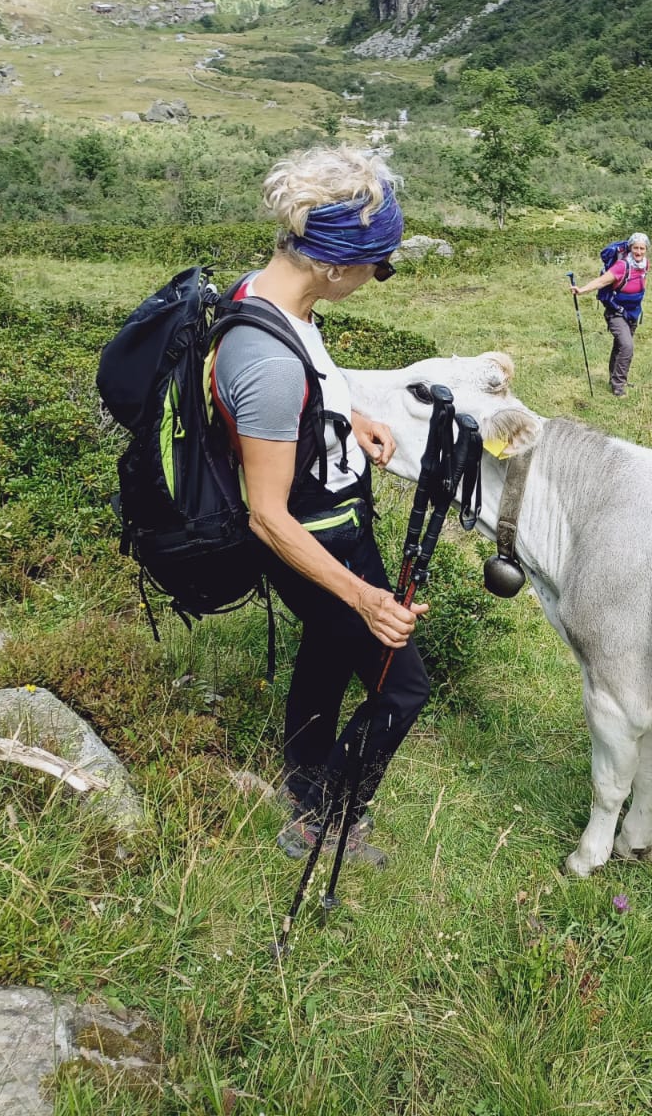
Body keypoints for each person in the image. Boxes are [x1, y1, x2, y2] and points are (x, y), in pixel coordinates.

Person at [209, 146, 427, 868]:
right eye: (379, 265)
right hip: (315, 545)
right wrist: (364, 596)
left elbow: (311, 377)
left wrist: (351, 413)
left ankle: (302, 784)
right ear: (335, 265)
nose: (379, 279)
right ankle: (323, 819)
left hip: (336, 525)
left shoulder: (276, 299)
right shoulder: (267, 361)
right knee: (403, 689)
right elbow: (267, 515)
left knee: (327, 659)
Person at [571, 231, 650, 397]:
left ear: (646, 249)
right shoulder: (622, 266)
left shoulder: (644, 264)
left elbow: (643, 281)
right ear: (630, 248)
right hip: (616, 312)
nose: (639, 252)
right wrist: (581, 290)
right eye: (635, 248)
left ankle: (615, 378)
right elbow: (601, 281)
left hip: (633, 313)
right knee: (627, 347)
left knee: (620, 346)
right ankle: (618, 387)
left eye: (642, 248)